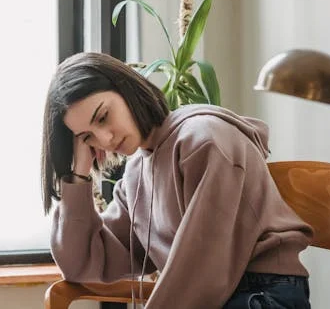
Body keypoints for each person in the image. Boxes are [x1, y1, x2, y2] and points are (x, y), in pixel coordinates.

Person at [41, 52, 314, 309]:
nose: (105, 139)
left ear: (125, 87)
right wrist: (78, 177)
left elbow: (204, 267)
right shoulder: (137, 172)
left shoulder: (205, 140)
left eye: (103, 117)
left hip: (263, 293)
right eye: (87, 137)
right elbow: (82, 264)